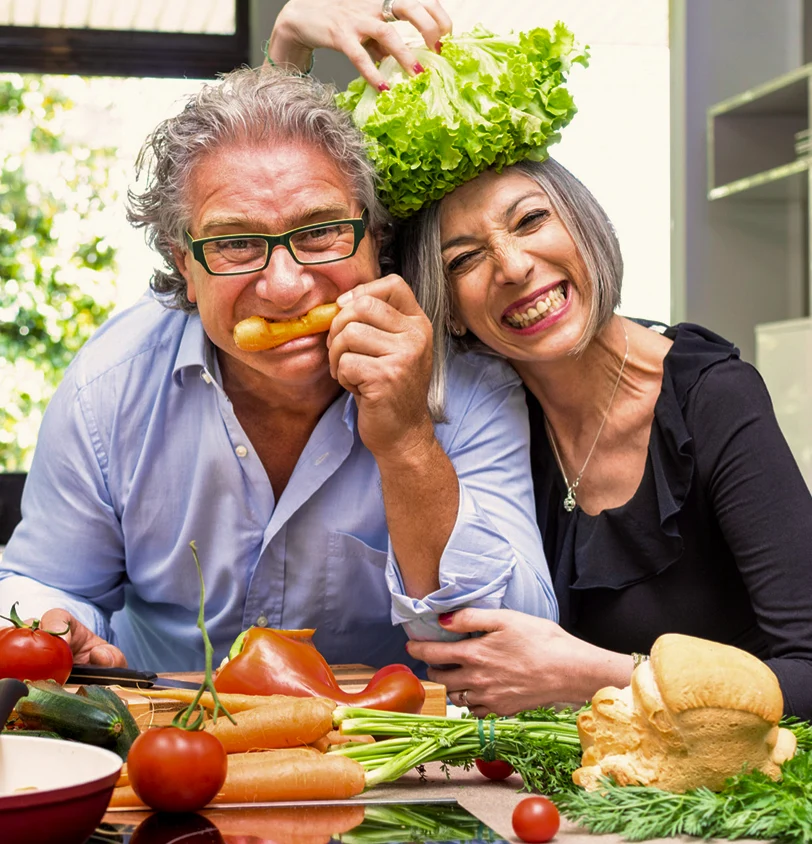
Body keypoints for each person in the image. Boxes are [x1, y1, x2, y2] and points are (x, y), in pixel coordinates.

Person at [266, 0, 812, 719]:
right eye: (465, 259)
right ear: (446, 311)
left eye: (530, 220)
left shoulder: (712, 397)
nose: (516, 266)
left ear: (581, 222)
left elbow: (806, 672)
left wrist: (598, 674)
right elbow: (302, 244)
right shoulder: (479, 414)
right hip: (587, 793)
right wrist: (285, 53)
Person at [0, 65, 557, 674]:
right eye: (235, 243)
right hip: (163, 734)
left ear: (375, 240)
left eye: (320, 232)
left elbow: (519, 641)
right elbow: (47, 583)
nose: (286, 287)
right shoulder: (107, 387)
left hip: (386, 753)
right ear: (184, 267)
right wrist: (57, 623)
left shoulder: (469, 384)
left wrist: (406, 443)